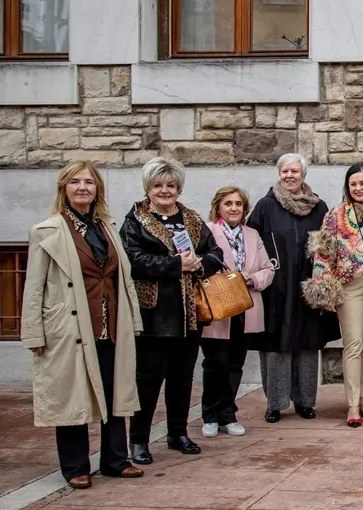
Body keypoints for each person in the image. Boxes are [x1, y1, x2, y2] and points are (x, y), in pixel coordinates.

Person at [21, 161, 144, 489]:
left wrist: (133, 321)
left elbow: (123, 278)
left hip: (110, 325)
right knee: (72, 396)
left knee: (115, 392)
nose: (82, 187)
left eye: (88, 182)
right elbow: (34, 287)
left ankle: (116, 460)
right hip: (70, 328)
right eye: (75, 182)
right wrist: (34, 331)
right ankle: (75, 466)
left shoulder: (107, 227)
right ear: (64, 188)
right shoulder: (46, 231)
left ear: (97, 190)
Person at [121, 157, 224, 464]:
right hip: (154, 314)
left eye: (170, 185)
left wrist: (200, 264)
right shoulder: (135, 221)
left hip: (190, 313)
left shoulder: (191, 218)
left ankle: (177, 433)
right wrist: (176, 264)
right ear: (148, 188)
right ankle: (138, 440)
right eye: (158, 185)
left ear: (178, 188)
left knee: (182, 377)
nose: (164, 191)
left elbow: (214, 253)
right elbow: (134, 261)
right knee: (148, 380)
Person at [247, 153, 337, 423]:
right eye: (285, 171)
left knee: (308, 344)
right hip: (277, 288)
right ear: (279, 174)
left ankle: (305, 402)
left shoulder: (319, 207)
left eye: (294, 172)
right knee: (277, 345)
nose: (289, 176)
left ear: (303, 175)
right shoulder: (265, 206)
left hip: (309, 286)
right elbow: (253, 244)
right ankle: (275, 403)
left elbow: (329, 244)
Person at [306, 163, 363, 427]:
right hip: (349, 285)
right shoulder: (335, 216)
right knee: (352, 344)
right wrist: (324, 288)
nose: (359, 188)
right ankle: (352, 405)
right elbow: (322, 252)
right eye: (354, 184)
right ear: (348, 187)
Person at [200, 186, 275, 439]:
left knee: (235, 363)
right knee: (215, 363)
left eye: (238, 204)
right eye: (228, 203)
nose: (233, 208)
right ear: (218, 207)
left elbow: (268, 269)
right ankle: (210, 414)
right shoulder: (207, 231)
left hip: (247, 304)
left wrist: (250, 278)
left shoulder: (252, 234)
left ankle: (228, 414)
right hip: (218, 307)